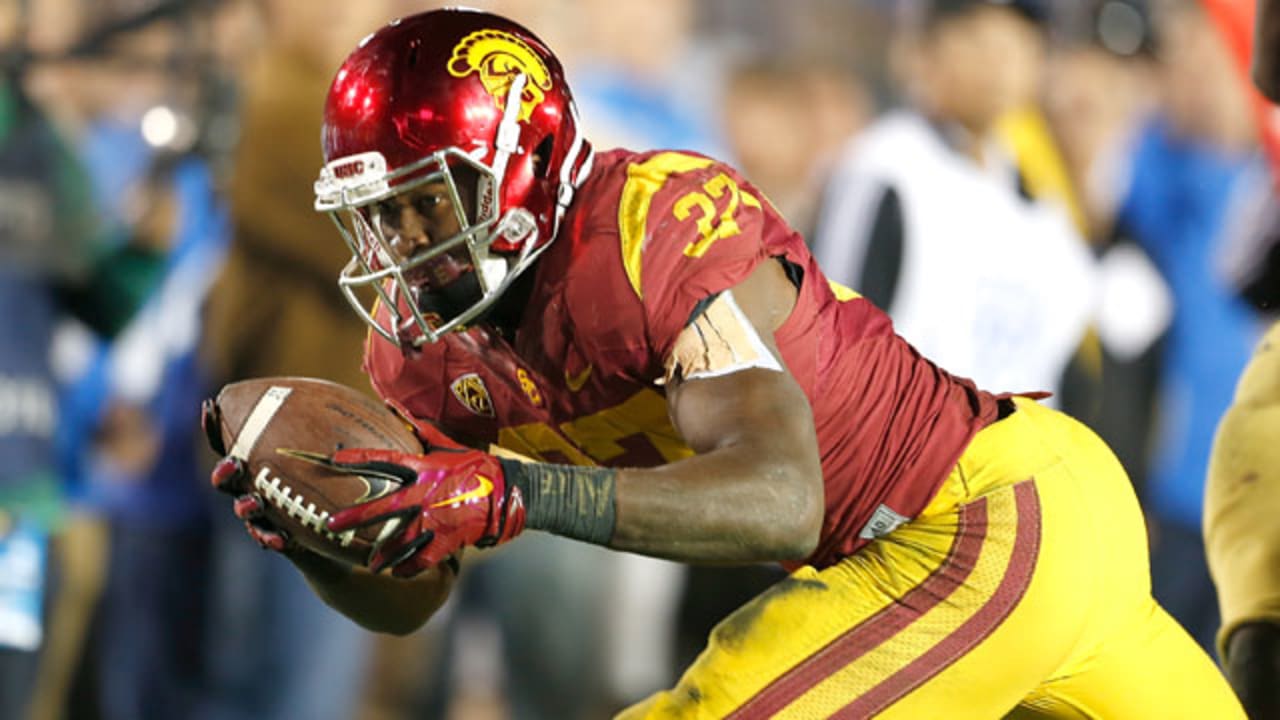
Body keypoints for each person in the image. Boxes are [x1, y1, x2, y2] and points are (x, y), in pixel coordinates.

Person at [205, 8, 1245, 718]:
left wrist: (510, 491)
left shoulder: (644, 228)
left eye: (423, 202)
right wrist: (333, 541)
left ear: (516, 167)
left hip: (974, 522)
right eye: (374, 215)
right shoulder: (419, 352)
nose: (397, 246)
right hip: (991, 550)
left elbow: (781, 497)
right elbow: (422, 586)